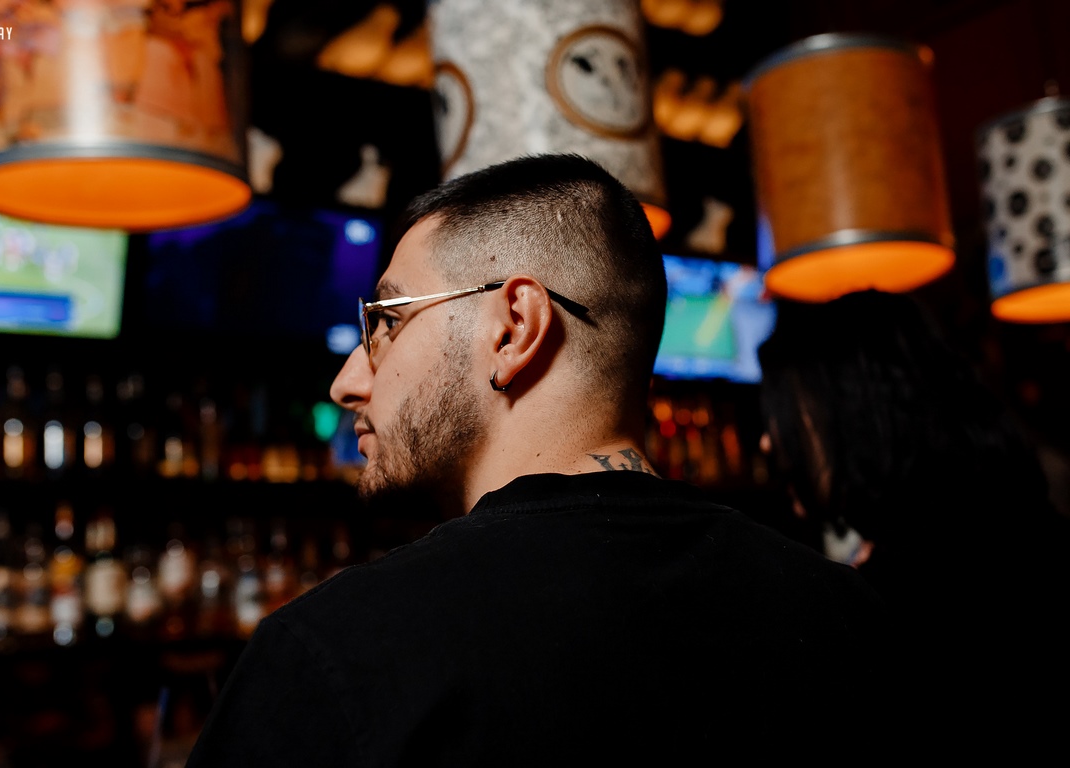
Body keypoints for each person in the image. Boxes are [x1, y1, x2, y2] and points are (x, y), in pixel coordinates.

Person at [184, 153, 895, 766]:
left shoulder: (335, 654)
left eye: (388, 321)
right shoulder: (852, 620)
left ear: (514, 329)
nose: (348, 381)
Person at [756, 289, 1070, 756]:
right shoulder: (1011, 527)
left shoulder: (914, 592)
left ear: (852, 408)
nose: (767, 441)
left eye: (784, 410)